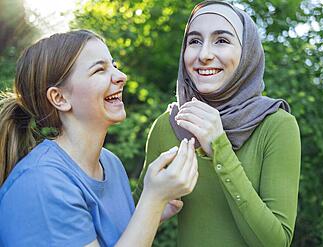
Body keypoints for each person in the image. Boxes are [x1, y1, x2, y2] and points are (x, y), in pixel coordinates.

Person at [0, 30, 198, 247]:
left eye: (113, 65)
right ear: (60, 98)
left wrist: (154, 211)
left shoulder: (110, 163)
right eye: (99, 70)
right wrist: (153, 199)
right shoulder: (41, 184)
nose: (121, 76)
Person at [133, 1, 301, 246]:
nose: (204, 55)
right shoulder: (168, 126)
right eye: (194, 41)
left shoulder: (276, 125)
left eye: (221, 40)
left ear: (247, 53)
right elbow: (127, 224)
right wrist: (154, 210)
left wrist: (220, 148)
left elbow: (277, 242)